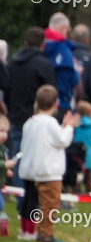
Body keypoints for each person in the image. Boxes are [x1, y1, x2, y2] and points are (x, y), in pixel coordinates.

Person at [18, 85, 80, 242]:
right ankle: (46, 235)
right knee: (50, 205)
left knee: (34, 203)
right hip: (50, 171)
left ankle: (33, 231)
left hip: (34, 170)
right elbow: (62, 140)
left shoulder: (30, 122)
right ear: (56, 104)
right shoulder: (50, 123)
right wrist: (68, 127)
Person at [0, 28, 55, 194]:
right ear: (42, 45)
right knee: (37, 156)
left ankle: (18, 193)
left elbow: (7, 88)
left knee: (18, 156)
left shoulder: (13, 63)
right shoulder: (44, 64)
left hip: (16, 115)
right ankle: (33, 194)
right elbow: (51, 91)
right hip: (36, 117)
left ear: (25, 42)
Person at [42, 13, 79, 118]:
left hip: (40, 103)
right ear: (64, 29)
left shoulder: (40, 45)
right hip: (60, 104)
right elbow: (69, 80)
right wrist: (76, 73)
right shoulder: (63, 51)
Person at [73, 101, 91, 193]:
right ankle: (88, 191)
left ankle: (77, 189)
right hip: (90, 153)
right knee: (89, 175)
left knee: (78, 173)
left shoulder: (76, 125)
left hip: (78, 153)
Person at [70, 24, 91, 106]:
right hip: (84, 105)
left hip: (67, 102)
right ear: (87, 39)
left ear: (72, 37)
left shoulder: (66, 55)